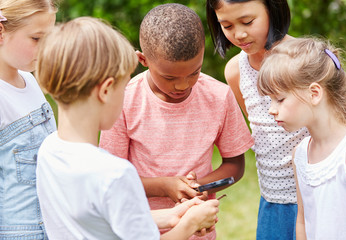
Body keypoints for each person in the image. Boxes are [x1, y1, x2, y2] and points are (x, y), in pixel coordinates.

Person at [35, 16, 220, 240]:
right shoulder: (115, 174)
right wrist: (190, 224)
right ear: (106, 90)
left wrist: (171, 216)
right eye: (123, 89)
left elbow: (99, 219)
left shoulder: (49, 149)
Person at [99, 3, 254, 239]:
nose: (182, 85)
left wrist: (199, 187)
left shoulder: (219, 96)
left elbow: (235, 166)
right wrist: (164, 186)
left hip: (198, 231)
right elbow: (111, 179)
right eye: (169, 77)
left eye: (194, 72)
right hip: (138, 230)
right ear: (143, 60)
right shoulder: (124, 100)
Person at [206, 0, 309, 239]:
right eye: (227, 25)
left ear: (272, 9)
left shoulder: (307, 59)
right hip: (272, 200)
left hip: (317, 195)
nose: (239, 34)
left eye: (248, 21)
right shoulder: (235, 71)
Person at [257, 37, 346, 240]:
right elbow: (303, 220)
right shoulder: (300, 154)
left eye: (279, 99)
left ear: (314, 93)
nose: (271, 110)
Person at [0, 0, 57, 238]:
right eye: (36, 39)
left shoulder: (29, 80)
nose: (45, 49)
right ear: (1, 31)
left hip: (52, 226)